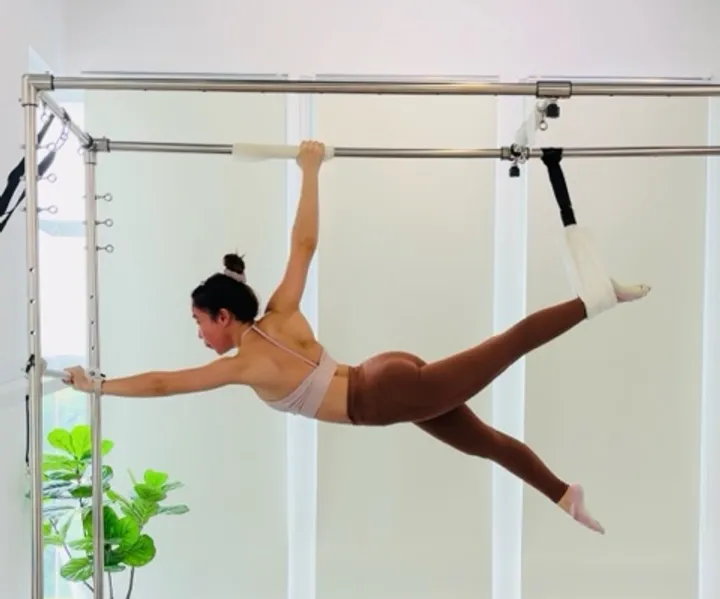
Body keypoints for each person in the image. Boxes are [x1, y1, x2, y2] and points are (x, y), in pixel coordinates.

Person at [64, 140, 650, 535]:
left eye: (198, 322)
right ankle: (564, 494)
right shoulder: (280, 313)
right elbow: (304, 244)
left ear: (222, 316)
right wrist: (310, 170)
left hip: (383, 396)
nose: (198, 336)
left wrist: (98, 386)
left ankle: (594, 299)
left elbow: (165, 384)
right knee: (487, 443)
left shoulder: (247, 362)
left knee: (508, 346)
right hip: (385, 376)